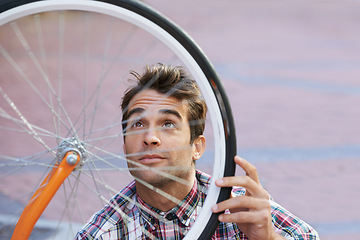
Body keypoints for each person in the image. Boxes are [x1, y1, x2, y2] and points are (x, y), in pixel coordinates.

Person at [75, 64, 319, 239]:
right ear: (125, 144)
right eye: (138, 124)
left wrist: (267, 239)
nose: (150, 138)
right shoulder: (101, 234)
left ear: (197, 147)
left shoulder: (239, 210)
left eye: (168, 123)